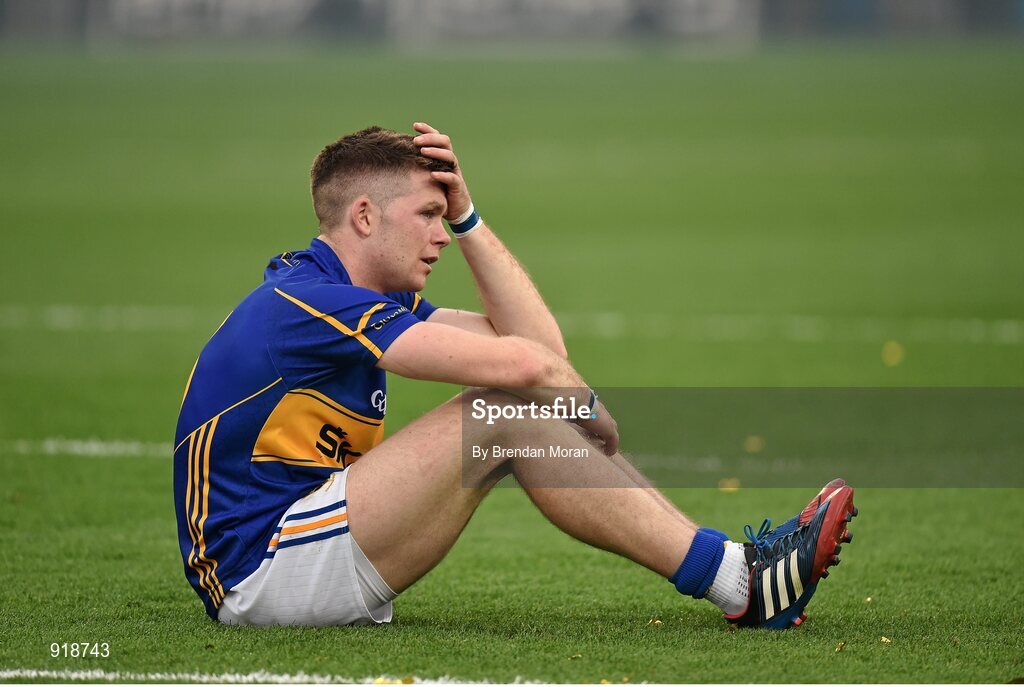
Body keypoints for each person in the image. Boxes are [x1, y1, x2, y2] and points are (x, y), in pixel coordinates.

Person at [173, 123, 857, 629]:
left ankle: (740, 574)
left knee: (508, 408)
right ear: (363, 216)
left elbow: (536, 342)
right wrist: (582, 403)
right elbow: (529, 366)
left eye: (446, 217)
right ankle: (743, 580)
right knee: (500, 413)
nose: (440, 235)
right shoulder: (307, 301)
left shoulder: (362, 303)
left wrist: (471, 214)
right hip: (258, 570)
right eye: (429, 215)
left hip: (306, 541)